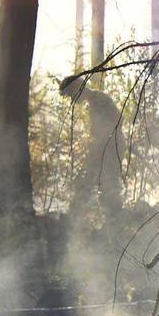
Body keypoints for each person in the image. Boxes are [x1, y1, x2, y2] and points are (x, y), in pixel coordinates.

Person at [60, 76, 125, 220]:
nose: (72, 99)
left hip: (111, 149)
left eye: (71, 94)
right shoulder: (94, 102)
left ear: (78, 88)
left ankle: (115, 220)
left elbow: (119, 120)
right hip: (104, 149)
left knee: (107, 184)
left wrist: (104, 140)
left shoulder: (100, 99)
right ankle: (77, 218)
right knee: (91, 182)